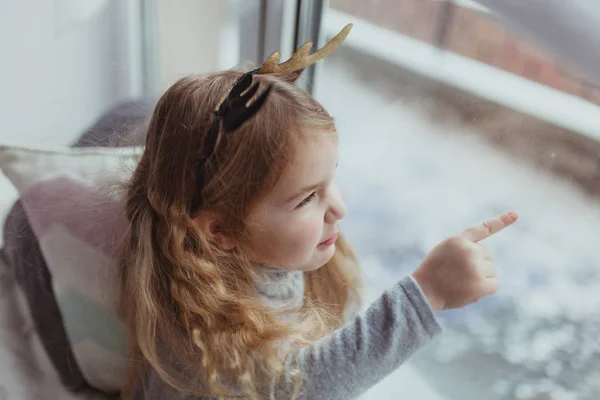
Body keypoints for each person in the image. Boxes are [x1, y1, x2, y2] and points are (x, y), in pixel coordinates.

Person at [118, 24, 518, 400]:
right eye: (308, 198)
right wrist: (426, 294)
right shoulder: (196, 330)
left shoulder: (260, 257)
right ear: (219, 230)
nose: (339, 208)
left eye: (331, 183)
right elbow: (299, 387)